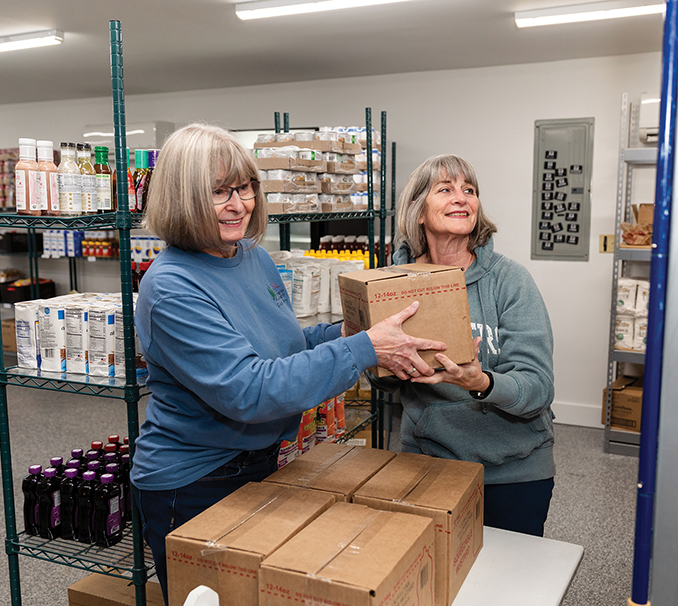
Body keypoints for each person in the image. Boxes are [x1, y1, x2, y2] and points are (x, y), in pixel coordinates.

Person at [132, 123, 446, 604]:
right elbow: (250, 390)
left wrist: (351, 332)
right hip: (195, 481)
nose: (239, 204)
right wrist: (365, 349)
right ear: (182, 197)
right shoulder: (171, 287)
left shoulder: (251, 258)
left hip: (262, 459)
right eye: (219, 192)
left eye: (245, 188)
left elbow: (287, 346)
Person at [377, 154, 556, 536]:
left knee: (509, 573)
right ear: (418, 210)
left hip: (513, 472)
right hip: (428, 465)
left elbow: (538, 388)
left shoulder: (510, 280)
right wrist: (368, 348)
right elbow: (385, 381)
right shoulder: (394, 283)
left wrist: (481, 382)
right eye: (445, 189)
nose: (461, 198)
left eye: (469, 190)